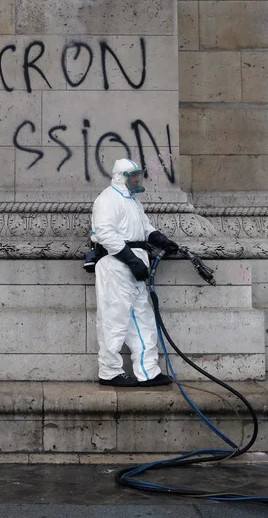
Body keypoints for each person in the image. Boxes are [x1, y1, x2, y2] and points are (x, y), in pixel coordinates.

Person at [91, 158, 179, 387]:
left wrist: (161, 240)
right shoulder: (108, 199)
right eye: (134, 176)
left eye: (139, 175)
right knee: (114, 318)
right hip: (116, 265)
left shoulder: (132, 202)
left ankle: (148, 371)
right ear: (122, 177)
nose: (138, 179)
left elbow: (145, 227)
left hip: (135, 266)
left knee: (143, 318)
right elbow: (105, 233)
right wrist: (130, 260)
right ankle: (109, 372)